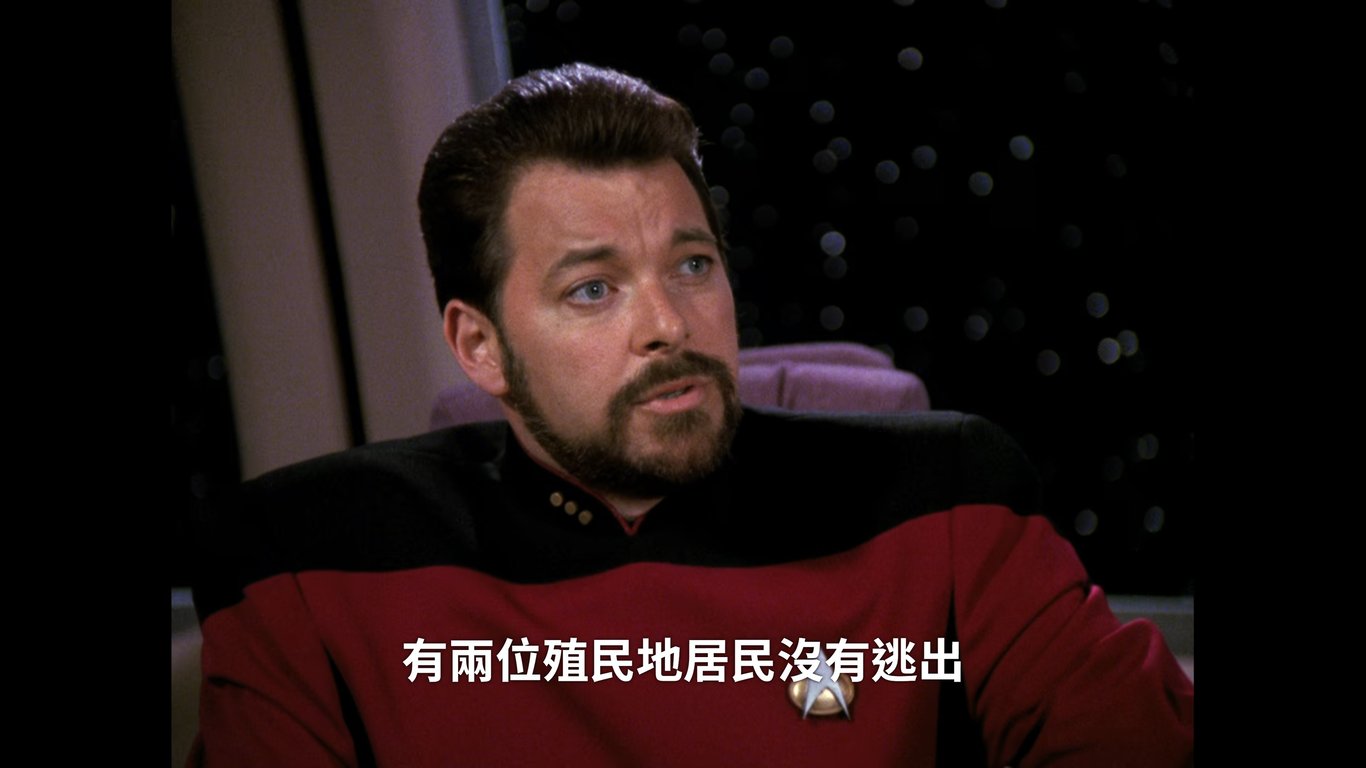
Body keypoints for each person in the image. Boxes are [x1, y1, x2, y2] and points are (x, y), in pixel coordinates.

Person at [190, 63, 1194, 766]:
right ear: (479, 345)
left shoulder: (950, 504)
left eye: (692, 265)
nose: (669, 324)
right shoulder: (305, 565)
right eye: (593, 289)